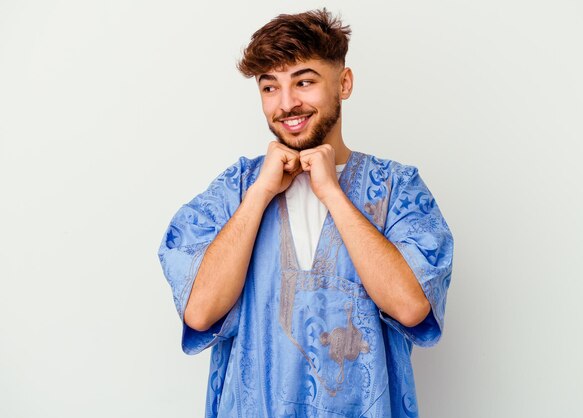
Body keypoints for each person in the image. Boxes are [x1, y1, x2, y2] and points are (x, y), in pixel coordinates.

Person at [158, 9, 454, 418]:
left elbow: (411, 307)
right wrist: (261, 192)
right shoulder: (235, 190)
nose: (286, 103)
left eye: (304, 81)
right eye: (269, 87)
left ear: (344, 83)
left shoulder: (397, 189)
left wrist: (333, 193)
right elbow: (200, 311)